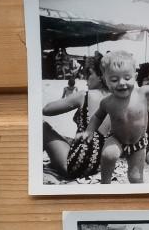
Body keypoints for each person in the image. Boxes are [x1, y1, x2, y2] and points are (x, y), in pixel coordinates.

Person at [72, 50, 149, 184]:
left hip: (139, 143)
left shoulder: (142, 93)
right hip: (116, 139)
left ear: (135, 76)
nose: (121, 83)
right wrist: (89, 131)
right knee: (109, 154)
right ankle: (105, 183)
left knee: (135, 177)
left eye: (127, 78)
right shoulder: (107, 102)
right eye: (114, 79)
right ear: (105, 80)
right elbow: (97, 117)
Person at [43, 53, 108, 183]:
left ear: (101, 76)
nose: (85, 79)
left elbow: (47, 110)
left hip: (75, 166)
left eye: (89, 74)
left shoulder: (85, 95)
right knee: (70, 139)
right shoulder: (115, 100)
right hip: (99, 166)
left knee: (41, 126)